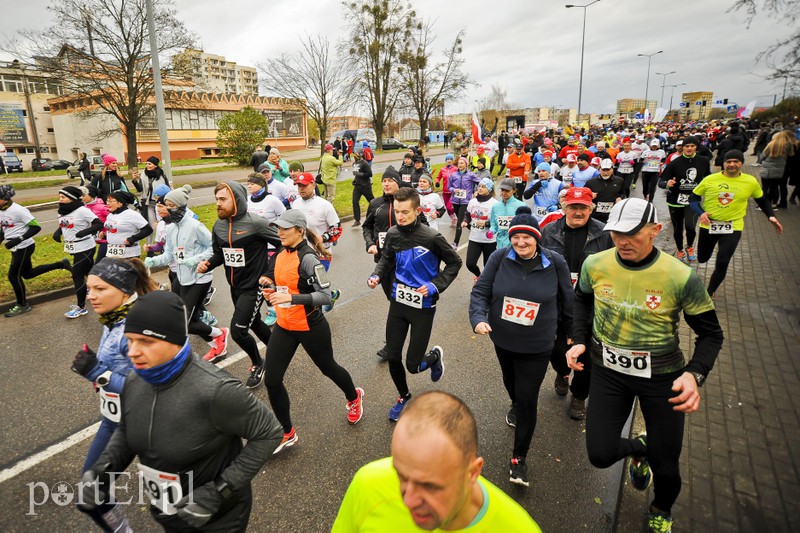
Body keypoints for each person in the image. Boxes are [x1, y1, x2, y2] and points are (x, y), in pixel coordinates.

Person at [566, 197, 724, 533]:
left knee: (667, 467)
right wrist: (579, 338)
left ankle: (660, 508)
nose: (622, 241)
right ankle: (640, 448)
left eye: (633, 233)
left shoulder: (680, 276)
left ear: (656, 230)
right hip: (609, 372)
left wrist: (694, 375)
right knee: (600, 453)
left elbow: (711, 335)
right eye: (616, 233)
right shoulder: (596, 263)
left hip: (662, 378)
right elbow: (582, 300)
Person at [78, 290, 283, 532]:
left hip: (217, 518)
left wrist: (220, 491)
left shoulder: (215, 389)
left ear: (173, 341)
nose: (132, 351)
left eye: (145, 341)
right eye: (130, 340)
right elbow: (128, 428)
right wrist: (103, 471)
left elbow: (269, 433)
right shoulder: (136, 378)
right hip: (168, 512)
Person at [333, 391, 541, 532]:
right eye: (400, 475)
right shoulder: (368, 485)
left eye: (430, 486)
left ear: (472, 473)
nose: (409, 501)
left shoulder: (518, 528)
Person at [469, 206, 572, 487]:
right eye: (516, 237)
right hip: (503, 339)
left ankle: (519, 459)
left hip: (538, 344)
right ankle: (514, 401)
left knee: (528, 398)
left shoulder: (555, 262)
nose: (521, 243)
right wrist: (478, 318)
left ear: (537, 238)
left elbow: (568, 299)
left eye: (527, 237)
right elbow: (481, 291)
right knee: (511, 383)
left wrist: (572, 334)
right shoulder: (499, 257)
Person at [259, 210, 364, 454]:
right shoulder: (281, 252)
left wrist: (291, 297)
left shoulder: (309, 259)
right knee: (272, 380)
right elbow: (273, 275)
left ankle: (354, 396)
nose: (280, 232)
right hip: (285, 325)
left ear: (299, 230)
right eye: (278, 228)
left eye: (285, 228)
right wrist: (269, 286)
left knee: (328, 368)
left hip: (310, 326)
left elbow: (326, 296)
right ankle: (287, 432)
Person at [71, 257, 157, 531]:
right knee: (89, 493)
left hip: (150, 425)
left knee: (178, 504)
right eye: (89, 288)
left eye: (100, 289)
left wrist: (98, 372)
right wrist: (99, 368)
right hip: (116, 421)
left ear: (123, 290)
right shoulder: (112, 318)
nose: (91, 296)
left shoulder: (135, 329)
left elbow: (149, 390)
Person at [368, 187, 462, 421]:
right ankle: (403, 396)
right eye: (397, 212)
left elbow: (455, 263)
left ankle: (433, 358)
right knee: (392, 355)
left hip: (423, 306)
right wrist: (377, 274)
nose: (400, 217)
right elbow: (386, 259)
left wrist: (434, 286)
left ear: (417, 211)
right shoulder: (392, 234)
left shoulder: (431, 237)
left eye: (405, 212)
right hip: (399, 302)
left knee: (413, 365)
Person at [197, 181, 282, 388]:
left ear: (237, 200)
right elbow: (220, 254)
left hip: (254, 287)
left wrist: (270, 273)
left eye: (223, 199)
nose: (218, 203)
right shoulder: (219, 225)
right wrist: (208, 264)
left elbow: (282, 243)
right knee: (253, 322)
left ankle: (258, 363)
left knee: (238, 330)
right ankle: (278, 352)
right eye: (216, 199)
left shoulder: (256, 223)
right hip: (234, 286)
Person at [539, 188, 613, 420]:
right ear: (564, 207)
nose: (578, 212)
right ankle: (562, 372)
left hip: (591, 305)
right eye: (573, 207)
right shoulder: (548, 231)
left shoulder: (605, 234)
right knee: (555, 349)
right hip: (556, 303)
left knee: (588, 357)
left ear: (591, 208)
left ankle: (579, 396)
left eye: (583, 207)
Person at [145, 185, 229, 363]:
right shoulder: (171, 228)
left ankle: (219, 334)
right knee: (183, 316)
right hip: (181, 277)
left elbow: (213, 248)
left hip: (200, 278)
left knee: (184, 323)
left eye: (171, 205)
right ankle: (217, 345)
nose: (167, 209)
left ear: (181, 206)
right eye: (166, 205)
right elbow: (169, 254)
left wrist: (196, 259)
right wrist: (154, 260)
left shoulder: (195, 226)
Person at [689, 150, 783, 297]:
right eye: (728, 161)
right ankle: (708, 256)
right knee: (702, 258)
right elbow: (692, 199)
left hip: (733, 226)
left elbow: (762, 200)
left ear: (741, 163)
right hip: (709, 225)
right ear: (723, 163)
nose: (732, 164)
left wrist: (771, 216)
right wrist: (702, 213)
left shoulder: (750, 181)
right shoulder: (710, 179)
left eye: (736, 161)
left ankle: (709, 292)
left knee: (723, 260)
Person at [0, 185, 71, 317]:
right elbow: (3, 228)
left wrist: (18, 239)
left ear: (5, 198)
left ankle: (22, 305)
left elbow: (36, 228)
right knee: (27, 274)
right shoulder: (1, 210)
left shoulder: (19, 210)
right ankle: (60, 264)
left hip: (24, 246)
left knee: (13, 276)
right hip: (15, 246)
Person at [291, 171, 343, 310]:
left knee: (315, 286)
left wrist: (322, 238)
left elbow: (337, 228)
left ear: (313, 184)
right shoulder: (295, 204)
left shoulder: (324, 205)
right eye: (298, 186)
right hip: (300, 253)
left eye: (304, 185)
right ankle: (330, 295)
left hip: (321, 254)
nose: (301, 188)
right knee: (306, 285)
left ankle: (318, 319)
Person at [658, 136, 711, 261]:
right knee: (678, 228)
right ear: (683, 147)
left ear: (696, 147)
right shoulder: (674, 163)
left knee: (691, 227)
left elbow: (709, 178)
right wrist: (667, 184)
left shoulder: (703, 161)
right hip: (675, 200)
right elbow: (661, 182)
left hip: (693, 201)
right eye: (687, 146)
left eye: (692, 146)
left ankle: (690, 247)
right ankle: (680, 249)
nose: (689, 148)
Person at [54, 186, 104, 318]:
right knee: (90, 273)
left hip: (85, 246)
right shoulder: (62, 211)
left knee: (77, 275)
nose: (60, 199)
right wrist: (58, 232)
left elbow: (99, 224)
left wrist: (84, 232)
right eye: (60, 197)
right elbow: (63, 224)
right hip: (73, 247)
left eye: (63, 197)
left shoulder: (82, 211)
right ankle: (104, 293)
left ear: (72, 198)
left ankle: (81, 307)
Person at [462, 178, 498, 279]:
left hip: (490, 240)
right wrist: (465, 221)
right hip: (474, 238)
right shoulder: (472, 202)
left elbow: (497, 222)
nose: (480, 188)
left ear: (490, 189)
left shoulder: (494, 204)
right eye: (479, 186)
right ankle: (480, 276)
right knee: (470, 264)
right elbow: (468, 214)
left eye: (483, 186)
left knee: (488, 266)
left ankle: (486, 285)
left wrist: (486, 223)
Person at [101, 191, 153, 259]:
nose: (107, 203)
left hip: (129, 254)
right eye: (107, 201)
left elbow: (148, 229)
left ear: (120, 203)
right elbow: (116, 230)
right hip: (112, 253)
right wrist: (105, 236)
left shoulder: (132, 214)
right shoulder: (110, 215)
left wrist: (132, 239)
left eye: (111, 201)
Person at [131, 156, 170, 233]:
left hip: (159, 203)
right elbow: (140, 189)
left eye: (150, 164)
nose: (147, 166)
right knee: (151, 225)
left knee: (162, 223)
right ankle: (150, 243)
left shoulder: (161, 175)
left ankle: (162, 240)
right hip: (148, 203)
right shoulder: (143, 175)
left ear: (155, 165)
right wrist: (135, 180)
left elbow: (167, 188)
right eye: (146, 164)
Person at [449, 157, 480, 249]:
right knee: (463, 221)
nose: (460, 165)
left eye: (462, 163)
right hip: (455, 201)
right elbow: (449, 187)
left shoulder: (471, 175)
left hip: (465, 201)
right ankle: (475, 231)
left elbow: (481, 182)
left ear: (466, 164)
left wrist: (477, 191)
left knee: (459, 222)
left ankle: (455, 243)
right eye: (459, 163)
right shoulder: (454, 175)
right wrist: (454, 190)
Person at [759, 130, 796, 208]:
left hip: (770, 169)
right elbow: (791, 156)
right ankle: (780, 203)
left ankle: (766, 203)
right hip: (784, 169)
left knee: (767, 186)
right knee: (779, 186)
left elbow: (763, 156)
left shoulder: (772, 144)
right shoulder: (790, 146)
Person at [586, 159, 625, 223]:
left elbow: (623, 193)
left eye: (608, 170)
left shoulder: (619, 181)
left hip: (613, 212)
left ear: (612, 169)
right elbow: (584, 195)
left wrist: (620, 198)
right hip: (595, 212)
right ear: (599, 169)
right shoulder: (590, 182)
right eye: (603, 170)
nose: (605, 173)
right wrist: (590, 195)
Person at [491, 178, 525, 250]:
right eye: (502, 190)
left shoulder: (521, 206)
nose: (504, 193)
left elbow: (525, 225)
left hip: (515, 244)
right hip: (500, 243)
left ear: (514, 190)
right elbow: (493, 224)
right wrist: (491, 231)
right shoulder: (495, 206)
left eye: (507, 190)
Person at [82, 186, 111, 262]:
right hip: (90, 239)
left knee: (99, 263)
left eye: (83, 195)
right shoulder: (83, 208)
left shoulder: (102, 207)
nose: (81, 197)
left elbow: (115, 220)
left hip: (106, 240)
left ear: (91, 195)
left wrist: (105, 232)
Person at [351, 151, 374, 227]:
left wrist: (360, 174)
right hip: (357, 186)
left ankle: (377, 213)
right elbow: (356, 174)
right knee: (355, 202)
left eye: (356, 155)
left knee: (372, 201)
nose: (355, 157)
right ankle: (357, 220)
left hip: (365, 186)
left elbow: (370, 174)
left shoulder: (364, 163)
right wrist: (355, 180)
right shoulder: (355, 164)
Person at [435, 154, 458, 227]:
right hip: (445, 191)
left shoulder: (455, 169)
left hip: (453, 191)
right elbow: (438, 177)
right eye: (447, 159)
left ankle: (458, 212)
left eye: (450, 159)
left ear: (452, 161)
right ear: (445, 161)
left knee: (449, 206)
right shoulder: (442, 169)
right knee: (447, 208)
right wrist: (437, 182)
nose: (449, 160)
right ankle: (453, 218)